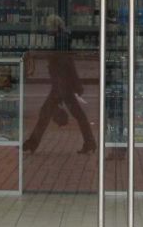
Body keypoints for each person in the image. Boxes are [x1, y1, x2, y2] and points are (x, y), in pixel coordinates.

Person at [23, 14, 96, 156]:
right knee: (75, 114)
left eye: (48, 25)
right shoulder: (61, 38)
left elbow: (63, 62)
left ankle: (33, 143)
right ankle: (89, 142)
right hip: (63, 84)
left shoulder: (61, 39)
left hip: (61, 85)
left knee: (47, 113)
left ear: (54, 26)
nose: (46, 28)